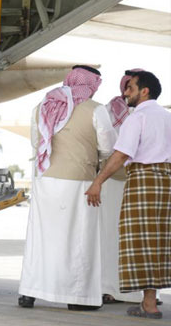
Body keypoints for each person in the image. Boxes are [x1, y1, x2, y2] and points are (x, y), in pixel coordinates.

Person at [18, 65, 117, 310]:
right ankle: (78, 298)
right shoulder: (96, 110)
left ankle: (29, 292)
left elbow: (36, 141)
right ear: (91, 84)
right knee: (79, 240)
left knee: (42, 238)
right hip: (79, 181)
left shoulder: (45, 105)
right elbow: (108, 147)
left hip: (46, 182)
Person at [85, 70, 171, 319]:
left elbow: (121, 154)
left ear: (145, 91)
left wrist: (97, 182)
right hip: (166, 182)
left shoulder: (137, 118)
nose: (125, 92)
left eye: (130, 88)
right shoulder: (167, 117)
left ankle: (150, 305)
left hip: (144, 180)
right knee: (158, 242)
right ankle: (149, 302)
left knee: (140, 241)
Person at [100, 71, 142, 304]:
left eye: (133, 86)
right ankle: (108, 288)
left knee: (136, 237)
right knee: (110, 235)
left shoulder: (148, 113)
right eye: (128, 86)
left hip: (139, 182)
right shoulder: (109, 110)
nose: (129, 91)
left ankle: (140, 292)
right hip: (113, 180)